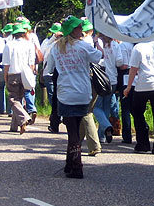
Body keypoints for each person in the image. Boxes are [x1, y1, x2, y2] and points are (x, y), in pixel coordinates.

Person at [46, 15, 102, 178]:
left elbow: (49, 68)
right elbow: (98, 58)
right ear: (73, 31)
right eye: (78, 28)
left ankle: (75, 166)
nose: (81, 30)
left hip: (65, 93)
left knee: (73, 132)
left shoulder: (56, 48)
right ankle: (71, 165)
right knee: (75, 131)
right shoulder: (83, 46)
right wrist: (97, 42)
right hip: (83, 92)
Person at [123, 40, 154, 155]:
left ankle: (143, 144)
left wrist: (129, 87)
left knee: (137, 112)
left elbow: (133, 69)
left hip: (144, 84)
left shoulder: (138, 48)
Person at [3, 23, 35, 134]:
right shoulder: (30, 45)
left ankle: (24, 118)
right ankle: (14, 126)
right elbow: (32, 63)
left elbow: (6, 64)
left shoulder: (9, 45)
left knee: (13, 99)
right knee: (19, 99)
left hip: (14, 74)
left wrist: (5, 77)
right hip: (26, 74)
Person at [93, 32, 123, 143]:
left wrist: (96, 41)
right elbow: (119, 62)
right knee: (106, 107)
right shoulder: (115, 45)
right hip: (112, 79)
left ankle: (106, 126)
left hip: (100, 79)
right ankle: (102, 135)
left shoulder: (97, 43)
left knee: (96, 107)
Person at [41, 22, 62, 132]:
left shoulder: (60, 44)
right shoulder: (48, 42)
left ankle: (57, 120)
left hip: (58, 73)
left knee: (57, 98)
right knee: (53, 97)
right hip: (54, 73)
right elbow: (43, 53)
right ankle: (57, 120)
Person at [119, 41, 135, 144]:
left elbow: (124, 65)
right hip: (137, 76)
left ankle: (127, 136)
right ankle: (143, 127)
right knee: (135, 106)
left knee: (125, 108)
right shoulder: (136, 44)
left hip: (125, 76)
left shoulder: (123, 45)